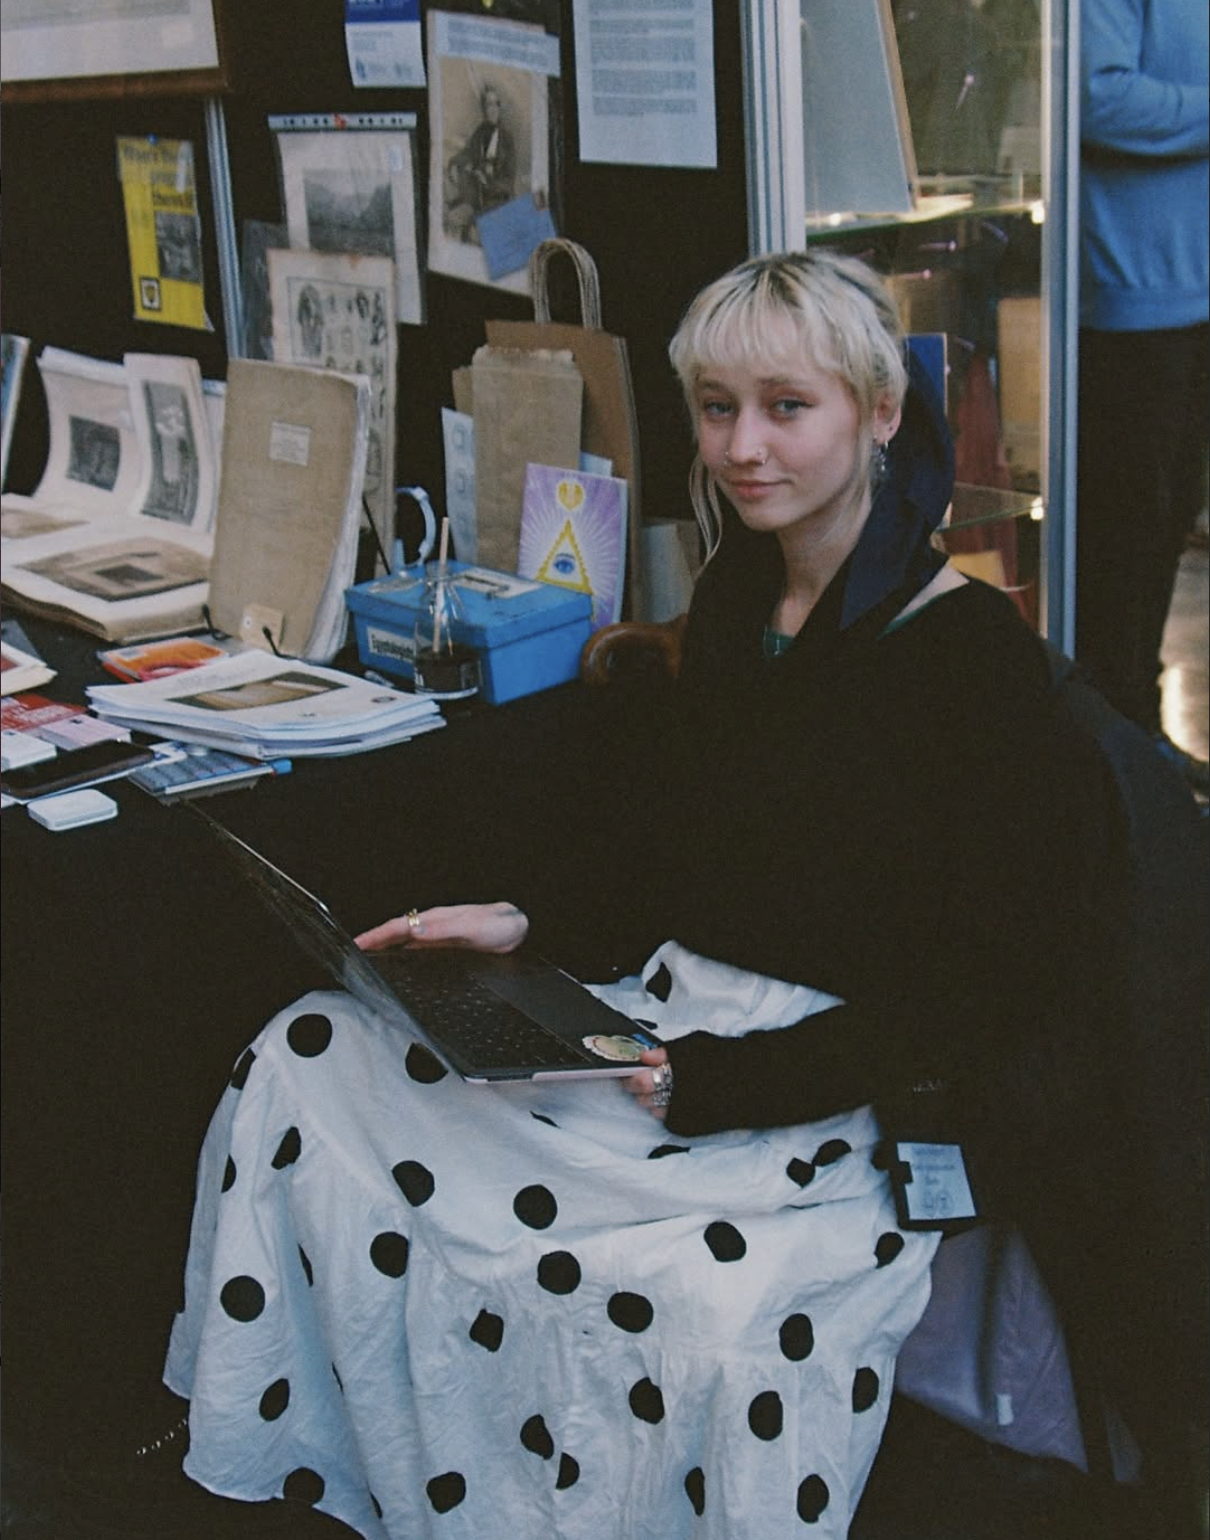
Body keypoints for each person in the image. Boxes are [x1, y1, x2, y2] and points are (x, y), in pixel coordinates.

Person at [165, 251, 1116, 1539]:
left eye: (788, 407)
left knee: (709, 1310)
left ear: (880, 414)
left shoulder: (976, 671)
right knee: (311, 1049)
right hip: (665, 1029)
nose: (741, 445)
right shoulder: (740, 599)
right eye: (718, 407)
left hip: (826, 1090)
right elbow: (674, 856)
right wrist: (525, 927)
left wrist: (723, 1081)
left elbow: (983, 993)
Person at [1074, 0, 1209, 791]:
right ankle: (1110, 749)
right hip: (1128, 301)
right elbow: (1095, 96)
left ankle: (1138, 736)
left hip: (1193, 298)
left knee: (1162, 527)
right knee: (1123, 532)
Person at [444, 84, 516, 243]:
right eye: (488, 105)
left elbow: (508, 184)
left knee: (474, 233)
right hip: (476, 199)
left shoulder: (507, 139)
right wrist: (453, 163)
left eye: (494, 104)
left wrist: (488, 182)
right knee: (451, 219)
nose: (491, 109)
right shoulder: (480, 133)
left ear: (499, 107)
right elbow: (467, 153)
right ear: (484, 108)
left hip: (498, 203)